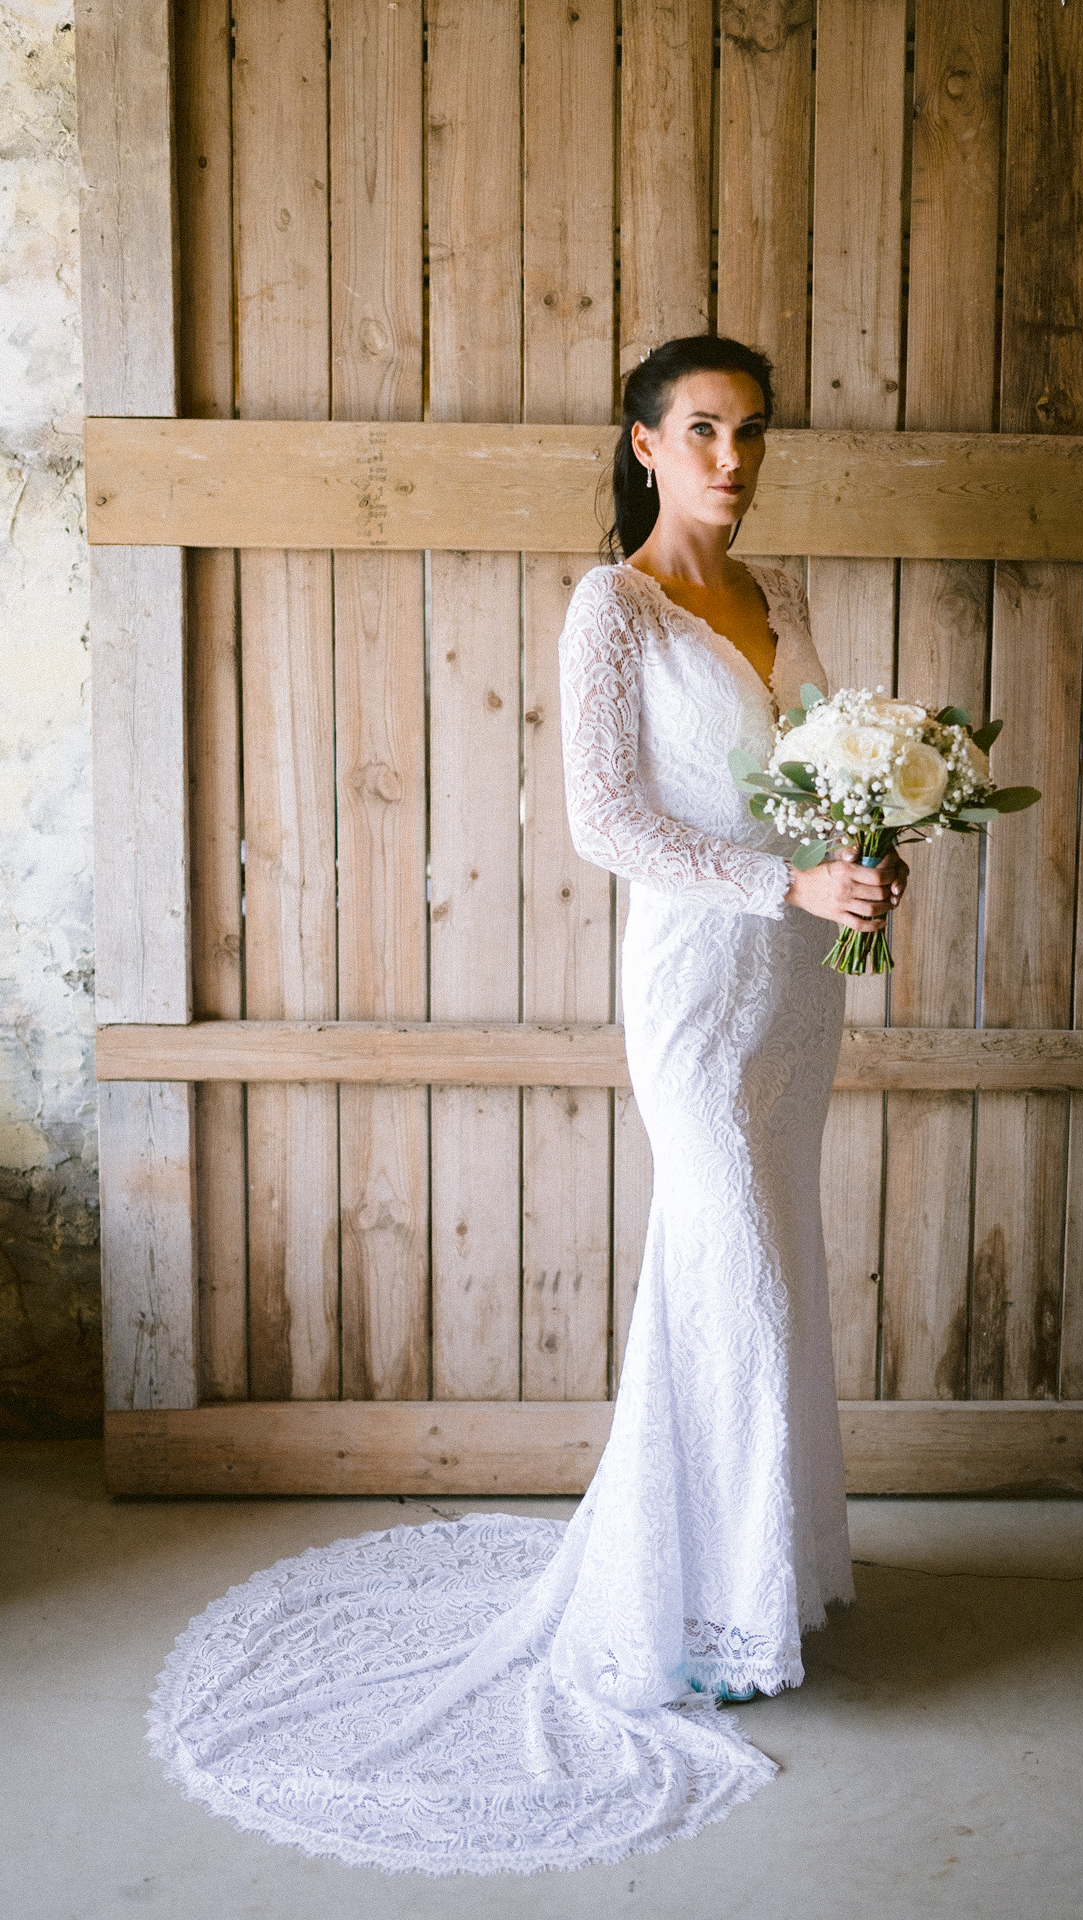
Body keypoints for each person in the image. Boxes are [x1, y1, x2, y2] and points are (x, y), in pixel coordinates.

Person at [145, 334, 908, 1879]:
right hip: (698, 980)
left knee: (771, 1258)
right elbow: (606, 820)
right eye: (703, 431)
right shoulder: (608, 608)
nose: (733, 460)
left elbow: (822, 775)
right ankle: (690, 1616)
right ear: (644, 445)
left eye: (752, 433)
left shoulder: (782, 595)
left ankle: (757, 1582)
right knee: (729, 1266)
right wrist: (783, 883)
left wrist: (871, 846)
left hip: (796, 986)